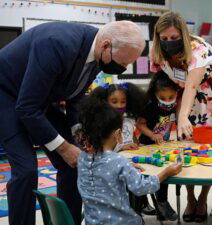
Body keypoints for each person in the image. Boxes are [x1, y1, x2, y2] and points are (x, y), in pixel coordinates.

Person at [0, 20, 145, 225]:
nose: (124, 67)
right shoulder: (57, 44)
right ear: (106, 45)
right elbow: (26, 108)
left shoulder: (97, 53)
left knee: (77, 160)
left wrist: (80, 138)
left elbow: (75, 99)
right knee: (26, 170)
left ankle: (67, 222)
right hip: (5, 94)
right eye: (123, 63)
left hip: (37, 99)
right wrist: (64, 147)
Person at [150, 11, 212, 223]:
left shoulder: (199, 49)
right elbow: (163, 83)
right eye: (164, 39)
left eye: (173, 38)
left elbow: (191, 84)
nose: (168, 42)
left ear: (183, 34)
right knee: (186, 150)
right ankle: (190, 197)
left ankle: (203, 198)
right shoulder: (158, 53)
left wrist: (183, 117)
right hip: (187, 102)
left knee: (211, 152)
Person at [77, 95, 182, 225]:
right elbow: (141, 187)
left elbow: (104, 170)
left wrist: (126, 167)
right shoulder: (118, 161)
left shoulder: (82, 158)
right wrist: (166, 173)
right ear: (118, 134)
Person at [136, 70, 179, 221]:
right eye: (162, 98)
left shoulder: (176, 104)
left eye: (171, 97)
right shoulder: (150, 106)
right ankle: (149, 203)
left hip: (162, 146)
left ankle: (161, 202)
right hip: (146, 145)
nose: (167, 101)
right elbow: (140, 124)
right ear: (155, 94)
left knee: (164, 171)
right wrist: (153, 135)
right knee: (151, 174)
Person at [90, 82, 147, 151]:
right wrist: (121, 148)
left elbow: (135, 143)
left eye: (123, 102)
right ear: (105, 103)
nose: (119, 106)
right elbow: (102, 150)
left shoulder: (128, 122)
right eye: (114, 102)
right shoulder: (103, 124)